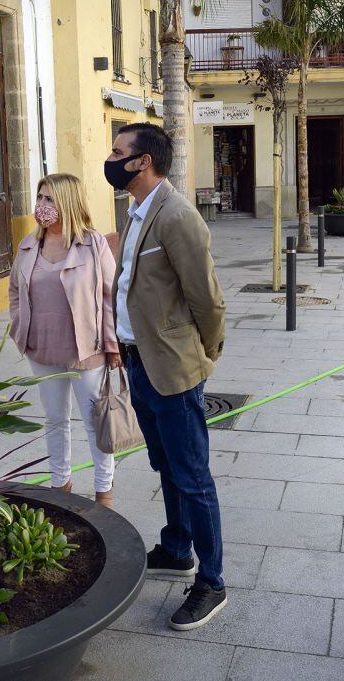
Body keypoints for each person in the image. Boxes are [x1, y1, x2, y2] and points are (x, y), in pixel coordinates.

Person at [107, 123, 227, 631]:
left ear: (143, 162)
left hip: (173, 367)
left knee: (192, 475)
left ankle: (212, 581)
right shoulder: (135, 211)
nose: (110, 159)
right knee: (165, 464)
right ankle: (177, 548)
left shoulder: (178, 215)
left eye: (118, 152)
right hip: (139, 360)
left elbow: (206, 295)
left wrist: (207, 351)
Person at [9, 173, 121, 508]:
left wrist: (113, 344)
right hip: (42, 350)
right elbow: (15, 290)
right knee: (55, 419)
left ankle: (104, 492)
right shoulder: (29, 245)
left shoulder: (93, 243)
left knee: (95, 422)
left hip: (87, 351)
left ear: (67, 203)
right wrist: (20, 326)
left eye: (49, 200)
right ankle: (61, 484)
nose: (41, 206)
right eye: (39, 198)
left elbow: (109, 296)